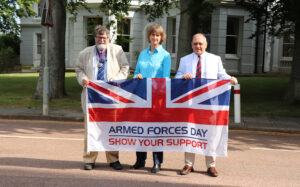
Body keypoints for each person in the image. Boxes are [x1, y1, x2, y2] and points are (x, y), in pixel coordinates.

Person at [175, 33, 238, 177]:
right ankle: (188, 164)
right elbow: (177, 77)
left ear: (206, 44)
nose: (198, 46)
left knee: (211, 134)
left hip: (209, 105)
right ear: (191, 44)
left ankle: (211, 166)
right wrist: (182, 77)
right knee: (190, 132)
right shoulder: (184, 60)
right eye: (195, 43)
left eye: (200, 44)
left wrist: (231, 79)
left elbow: (222, 75)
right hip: (191, 104)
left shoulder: (215, 59)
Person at [75, 25, 129, 171]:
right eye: (99, 37)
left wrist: (116, 79)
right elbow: (79, 70)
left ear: (109, 38)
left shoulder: (117, 50)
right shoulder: (85, 53)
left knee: (111, 128)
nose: (102, 40)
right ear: (95, 38)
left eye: (104, 37)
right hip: (91, 97)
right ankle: (89, 159)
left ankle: (113, 159)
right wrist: (83, 79)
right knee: (90, 129)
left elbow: (125, 68)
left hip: (111, 96)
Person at [132, 24, 171, 173]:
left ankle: (157, 162)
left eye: (158, 35)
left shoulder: (165, 55)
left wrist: (156, 90)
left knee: (156, 130)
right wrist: (137, 76)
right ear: (149, 36)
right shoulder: (142, 54)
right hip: (141, 97)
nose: (155, 38)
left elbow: (166, 77)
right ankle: (140, 159)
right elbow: (136, 72)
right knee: (140, 130)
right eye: (153, 35)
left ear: (161, 38)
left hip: (157, 98)